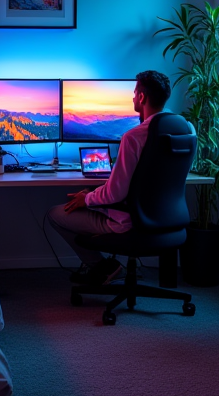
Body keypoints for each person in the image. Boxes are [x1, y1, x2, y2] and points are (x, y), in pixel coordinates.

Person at [47, 70, 173, 285]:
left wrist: (85, 198)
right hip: (166, 217)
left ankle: (104, 267)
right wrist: (92, 193)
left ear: (142, 97)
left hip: (126, 221)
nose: (133, 98)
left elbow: (116, 192)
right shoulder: (184, 130)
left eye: (134, 93)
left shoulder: (133, 136)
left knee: (55, 213)